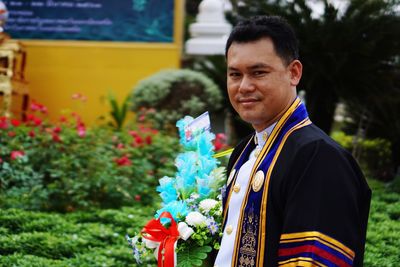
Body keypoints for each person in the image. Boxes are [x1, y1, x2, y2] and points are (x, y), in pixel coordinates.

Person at [214, 16, 371, 267]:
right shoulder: (244, 151)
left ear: (294, 73)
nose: (243, 86)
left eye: (258, 72)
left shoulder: (318, 157)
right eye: (235, 74)